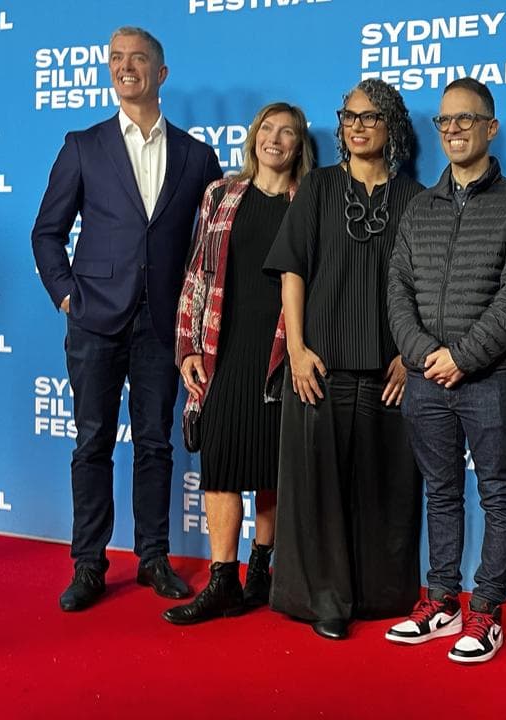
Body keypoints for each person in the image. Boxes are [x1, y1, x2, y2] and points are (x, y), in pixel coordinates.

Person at [31, 26, 223, 612]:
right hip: (93, 321)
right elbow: (46, 234)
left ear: (160, 74)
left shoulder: (197, 155)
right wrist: (68, 297)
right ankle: (88, 564)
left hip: (163, 327)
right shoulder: (82, 145)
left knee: (156, 444)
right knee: (91, 442)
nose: (125, 66)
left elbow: (214, 243)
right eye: (116, 58)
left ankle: (154, 558)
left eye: (137, 58)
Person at [384, 78, 506, 663]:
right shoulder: (420, 206)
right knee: (441, 490)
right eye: (444, 121)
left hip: (492, 378)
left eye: (465, 120)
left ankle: (487, 613)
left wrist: (465, 356)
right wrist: (423, 353)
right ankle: (443, 599)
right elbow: (397, 287)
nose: (452, 129)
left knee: (498, 494)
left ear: (490, 127)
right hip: (425, 378)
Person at [263, 78, 424, 641]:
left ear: (392, 127)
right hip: (318, 369)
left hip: (390, 373)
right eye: (349, 116)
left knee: (384, 490)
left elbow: (427, 288)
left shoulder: (414, 199)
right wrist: (298, 350)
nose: (357, 126)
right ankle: (325, 602)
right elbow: (292, 273)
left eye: (370, 117)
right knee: (317, 492)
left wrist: (411, 355)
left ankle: (380, 597)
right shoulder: (319, 188)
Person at [164, 102, 314, 625]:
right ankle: (223, 579)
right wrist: (187, 348)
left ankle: (262, 571)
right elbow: (198, 273)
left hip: (282, 350)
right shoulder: (221, 194)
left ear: (300, 145)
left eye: (287, 132)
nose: (274, 140)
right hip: (223, 345)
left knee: (272, 465)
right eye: (266, 130)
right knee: (222, 465)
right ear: (253, 139)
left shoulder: (309, 200)